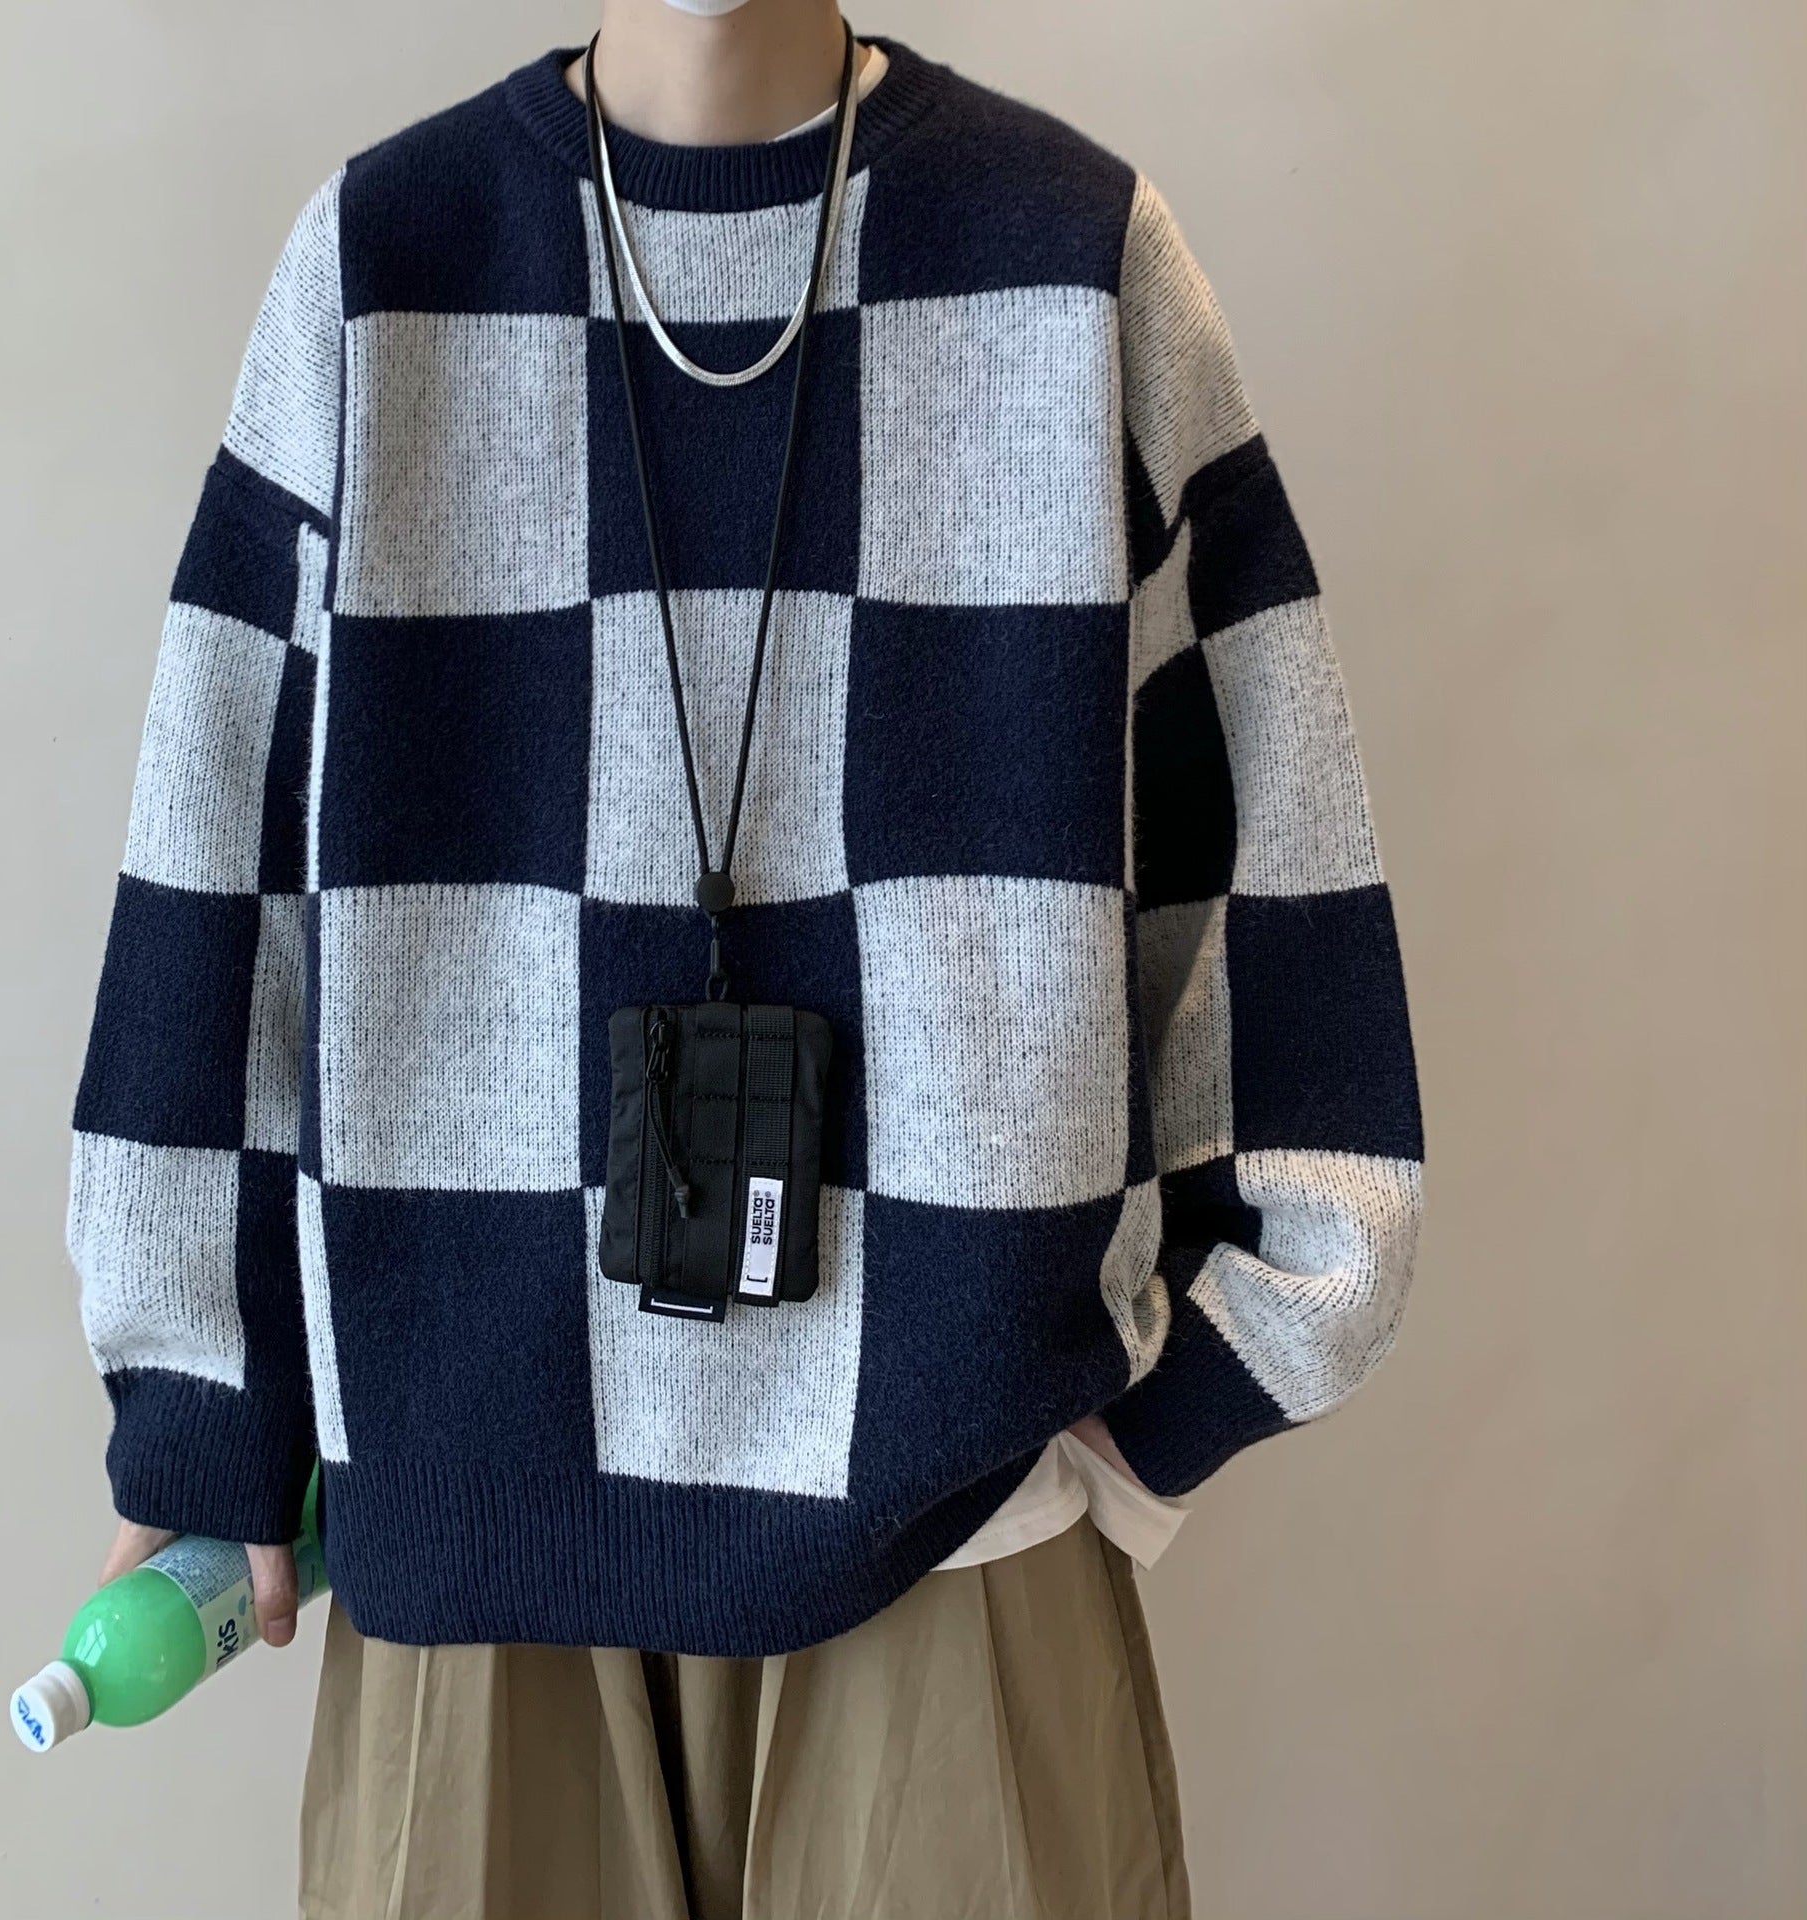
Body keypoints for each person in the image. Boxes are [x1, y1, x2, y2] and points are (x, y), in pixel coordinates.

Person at [69, 1, 1426, 1913]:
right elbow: (219, 853)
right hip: (469, 1551)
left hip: (962, 1542)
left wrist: (1161, 1418)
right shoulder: (383, 264)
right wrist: (200, 1396)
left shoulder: (1070, 256)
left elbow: (1268, 872)